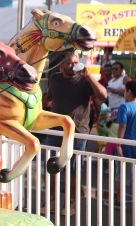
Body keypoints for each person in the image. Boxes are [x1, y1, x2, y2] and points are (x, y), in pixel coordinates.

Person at [42, 51, 107, 214]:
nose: (73, 66)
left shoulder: (85, 81)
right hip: (55, 130)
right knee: (52, 168)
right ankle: (52, 201)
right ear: (62, 65)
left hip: (77, 133)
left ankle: (72, 204)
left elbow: (103, 96)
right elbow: (49, 98)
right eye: (70, 63)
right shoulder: (55, 78)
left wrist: (89, 77)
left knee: (73, 171)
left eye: (76, 62)